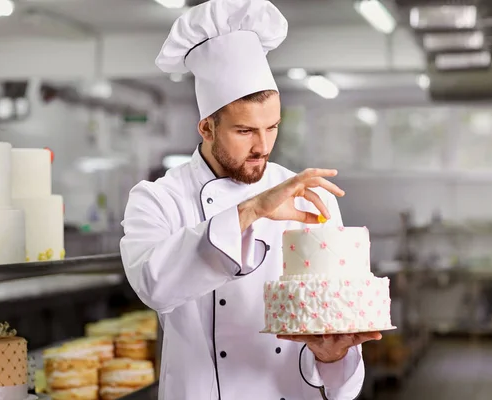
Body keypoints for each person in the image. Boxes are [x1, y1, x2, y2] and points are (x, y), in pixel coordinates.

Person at [120, 0, 381, 399]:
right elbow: (154, 285)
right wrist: (252, 209)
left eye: (272, 127)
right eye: (244, 131)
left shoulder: (306, 195)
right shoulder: (159, 199)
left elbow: (333, 327)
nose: (263, 146)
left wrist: (332, 356)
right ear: (207, 127)